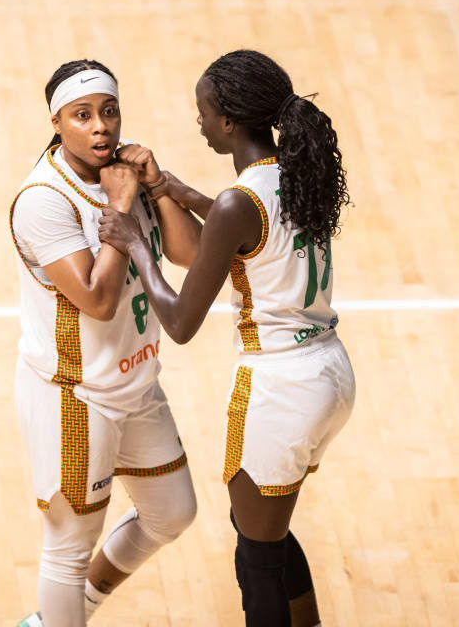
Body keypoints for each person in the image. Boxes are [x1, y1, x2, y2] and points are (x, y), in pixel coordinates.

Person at [98, 49, 355, 626]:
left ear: (230, 121)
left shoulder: (241, 202)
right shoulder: (292, 173)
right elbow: (252, 236)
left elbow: (182, 322)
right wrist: (176, 191)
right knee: (264, 528)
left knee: (256, 556)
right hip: (329, 372)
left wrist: (136, 243)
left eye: (204, 111)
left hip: (281, 386)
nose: (199, 120)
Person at [11, 59, 202, 627]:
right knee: (69, 546)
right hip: (74, 396)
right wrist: (120, 207)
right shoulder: (43, 200)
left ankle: (65, 615)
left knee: (173, 514)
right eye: (83, 115)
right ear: (57, 122)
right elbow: (97, 300)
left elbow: (189, 253)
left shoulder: (126, 172)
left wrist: (159, 186)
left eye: (109, 111)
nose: (101, 127)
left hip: (136, 385)